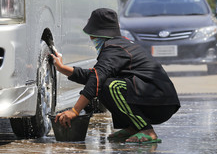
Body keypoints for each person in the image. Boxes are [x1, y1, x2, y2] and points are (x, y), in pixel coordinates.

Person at [51, 8, 180, 144]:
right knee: (104, 83)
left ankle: (147, 130)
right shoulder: (118, 44)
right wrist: (62, 68)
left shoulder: (114, 48)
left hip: (160, 102)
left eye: (92, 35)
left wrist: (75, 111)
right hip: (158, 99)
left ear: (97, 33)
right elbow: (95, 75)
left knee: (110, 86)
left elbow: (96, 78)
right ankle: (132, 127)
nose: (91, 39)